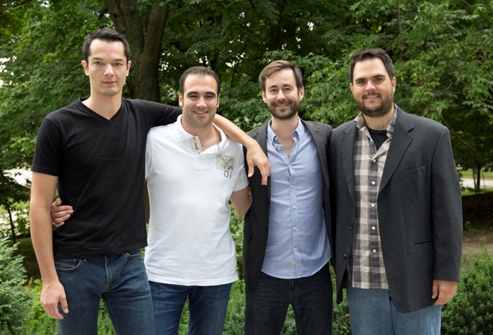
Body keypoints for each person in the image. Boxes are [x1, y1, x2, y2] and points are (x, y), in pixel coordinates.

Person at [30, 28, 268, 335]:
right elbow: (38, 204)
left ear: (128, 68)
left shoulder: (142, 115)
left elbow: (202, 114)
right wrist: (48, 280)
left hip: (129, 263)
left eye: (117, 63)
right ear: (85, 66)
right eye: (99, 62)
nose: (108, 71)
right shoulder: (57, 124)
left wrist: (251, 144)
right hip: (75, 264)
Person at [329, 48, 463, 334]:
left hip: (418, 279)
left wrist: (448, 274)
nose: (370, 87)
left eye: (377, 79)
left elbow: (447, 212)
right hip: (362, 282)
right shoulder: (337, 140)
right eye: (361, 81)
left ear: (393, 82)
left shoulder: (432, 136)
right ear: (352, 87)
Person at [145, 66, 251, 334]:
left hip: (216, 273)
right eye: (193, 95)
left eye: (209, 95)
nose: (201, 103)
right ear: (180, 99)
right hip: (162, 273)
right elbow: (118, 186)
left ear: (218, 100)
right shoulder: (155, 140)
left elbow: (243, 206)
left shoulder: (234, 148)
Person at [242, 60, 333, 335]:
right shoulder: (248, 143)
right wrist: (245, 143)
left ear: (301, 92)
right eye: (273, 90)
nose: (280, 96)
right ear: (263, 95)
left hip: (315, 272)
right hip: (266, 273)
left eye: (287, 88)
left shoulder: (325, 137)